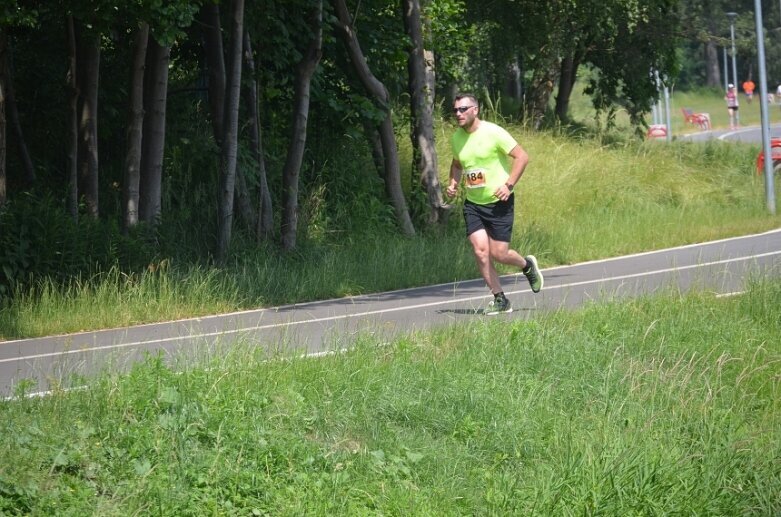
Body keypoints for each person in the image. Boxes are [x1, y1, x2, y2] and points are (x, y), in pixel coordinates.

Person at [446, 93, 543, 315]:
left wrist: (508, 185)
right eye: (455, 110)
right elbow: (457, 164)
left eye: (463, 109)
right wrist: (452, 183)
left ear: (475, 110)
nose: (458, 114)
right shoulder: (456, 138)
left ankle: (526, 266)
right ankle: (500, 299)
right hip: (473, 204)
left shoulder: (493, 132)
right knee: (480, 251)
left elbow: (522, 157)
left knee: (500, 253)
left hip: (499, 202)